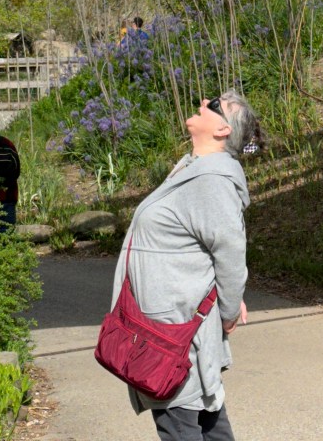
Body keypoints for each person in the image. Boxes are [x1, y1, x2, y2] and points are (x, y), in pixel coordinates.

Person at [111, 89, 261, 441]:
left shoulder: (211, 181)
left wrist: (228, 309)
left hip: (172, 333)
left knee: (181, 422)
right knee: (205, 421)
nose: (203, 103)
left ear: (223, 130)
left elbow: (229, 249)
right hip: (170, 324)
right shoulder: (195, 169)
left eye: (214, 106)